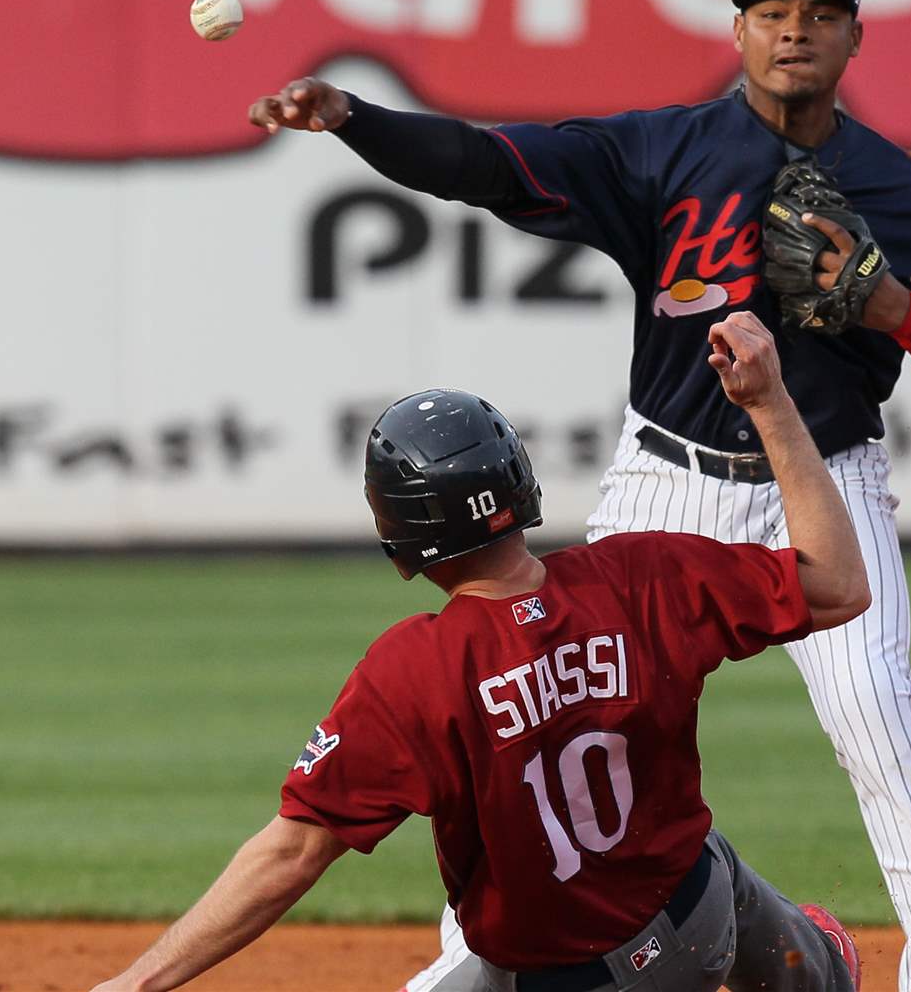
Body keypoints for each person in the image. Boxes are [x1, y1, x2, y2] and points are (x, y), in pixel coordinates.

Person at [248, 0, 911, 992]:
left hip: (827, 483)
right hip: (670, 474)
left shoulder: (906, 195)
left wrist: (896, 308)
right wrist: (355, 120)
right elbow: (487, 166)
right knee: (534, 700)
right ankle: (474, 963)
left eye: (818, 11)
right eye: (771, 8)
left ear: (855, 33)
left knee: (884, 726)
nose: (793, 26)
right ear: (740, 27)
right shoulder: (662, 153)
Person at [90, 312, 868, 992]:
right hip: (701, 924)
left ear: (400, 535)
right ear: (517, 483)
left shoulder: (414, 671)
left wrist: (140, 978)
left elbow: (295, 849)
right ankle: (818, 971)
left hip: (564, 982)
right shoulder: (641, 574)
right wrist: (768, 403)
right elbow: (838, 585)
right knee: (706, 861)